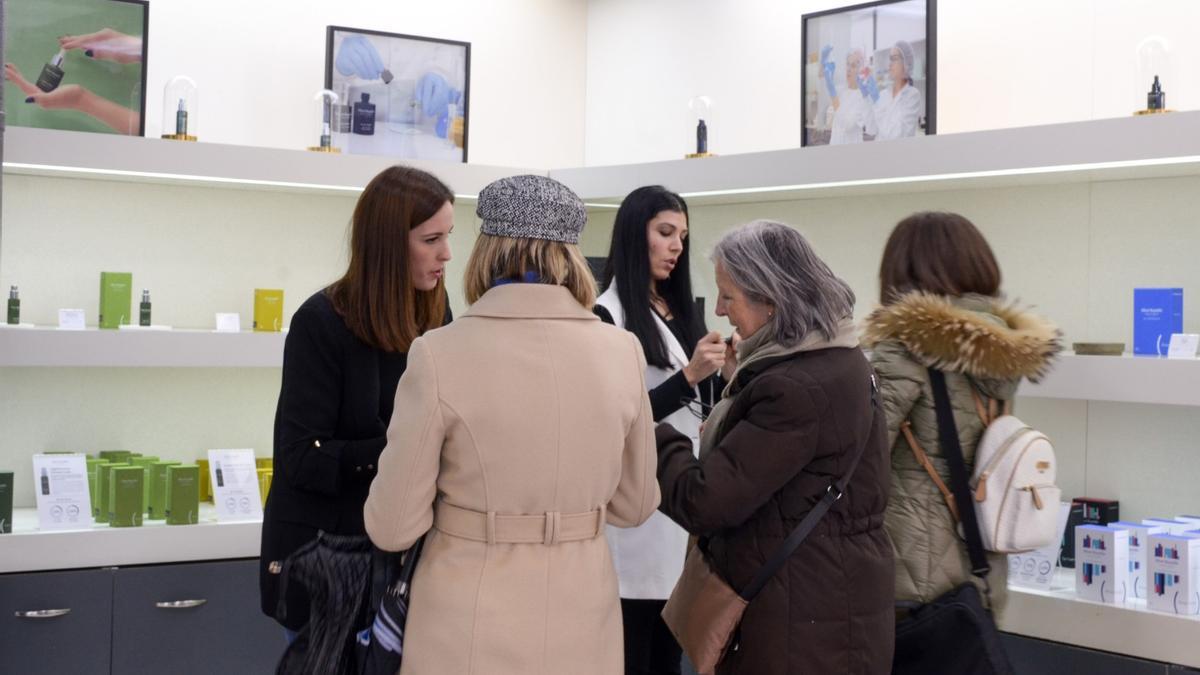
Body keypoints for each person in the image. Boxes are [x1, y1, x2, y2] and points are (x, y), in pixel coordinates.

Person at [364, 174, 660, 674]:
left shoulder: (438, 354)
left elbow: (393, 527)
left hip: (466, 616)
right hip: (584, 614)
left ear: (487, 249)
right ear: (570, 254)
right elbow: (634, 506)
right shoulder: (622, 351)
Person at [655, 220, 894, 675]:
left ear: (770, 299)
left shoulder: (794, 388)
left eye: (729, 296)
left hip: (800, 623)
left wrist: (651, 432)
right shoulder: (839, 360)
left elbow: (705, 500)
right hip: (827, 609)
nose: (721, 311)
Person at [259, 166, 455, 638]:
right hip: (331, 565)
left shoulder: (435, 310)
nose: (447, 254)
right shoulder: (321, 322)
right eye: (431, 239)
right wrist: (408, 447)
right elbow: (301, 457)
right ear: (389, 244)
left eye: (449, 235)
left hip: (403, 561)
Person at [862, 211, 1060, 621]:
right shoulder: (1001, 347)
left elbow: (861, 454)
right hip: (979, 563)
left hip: (908, 574)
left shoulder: (905, 347)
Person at [594, 186, 730, 675]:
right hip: (634, 510)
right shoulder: (606, 316)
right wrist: (688, 377)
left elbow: (699, 410)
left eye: (682, 237)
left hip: (679, 503)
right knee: (634, 653)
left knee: (670, 657)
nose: (676, 247)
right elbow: (615, 420)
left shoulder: (680, 314)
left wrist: (723, 374)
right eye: (665, 233)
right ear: (636, 235)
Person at [861, 40, 923, 141]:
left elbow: (897, 135)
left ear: (906, 63)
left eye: (894, 59)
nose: (889, 64)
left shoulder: (912, 96)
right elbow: (871, 129)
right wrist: (866, 98)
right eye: (890, 59)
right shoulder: (884, 94)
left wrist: (877, 102)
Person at [820, 46, 872, 145]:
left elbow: (847, 124)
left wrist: (832, 92)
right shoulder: (842, 90)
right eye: (847, 64)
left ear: (861, 69)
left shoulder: (864, 97)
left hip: (851, 154)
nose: (848, 69)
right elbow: (824, 95)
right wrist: (823, 63)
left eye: (853, 66)